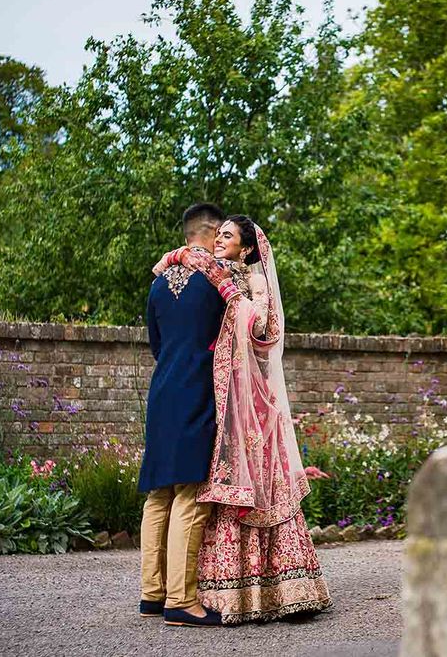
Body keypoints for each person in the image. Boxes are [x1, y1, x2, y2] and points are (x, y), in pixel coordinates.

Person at [157, 215, 332, 624]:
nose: (219, 240)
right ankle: (213, 592)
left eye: (228, 236)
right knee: (216, 487)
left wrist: (230, 293)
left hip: (251, 403)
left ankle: (280, 588)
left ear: (248, 248)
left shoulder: (251, 283)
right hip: (222, 398)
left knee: (257, 486)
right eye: (217, 234)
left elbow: (263, 332)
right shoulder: (216, 280)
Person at [137, 202, 227, 628]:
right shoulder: (216, 281)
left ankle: (151, 595)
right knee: (191, 494)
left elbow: (156, 344)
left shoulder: (157, 283)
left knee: (159, 494)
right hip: (197, 389)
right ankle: (182, 600)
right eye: (222, 235)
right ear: (211, 234)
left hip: (163, 390)